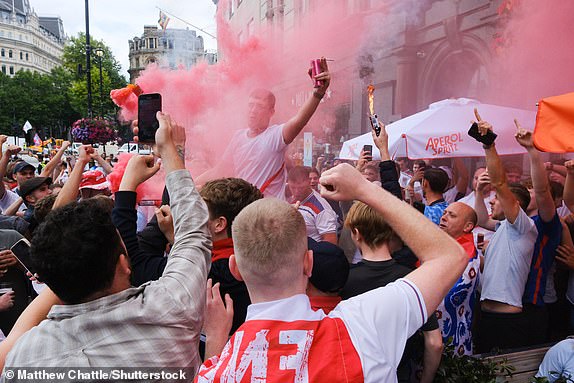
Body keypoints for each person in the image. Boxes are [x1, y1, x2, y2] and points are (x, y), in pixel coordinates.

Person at [195, 163, 467, 383]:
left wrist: (216, 339)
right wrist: (364, 190)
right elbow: (450, 256)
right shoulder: (362, 325)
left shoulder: (216, 372)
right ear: (308, 263)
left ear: (236, 269)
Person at [4, 112, 212, 374]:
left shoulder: (24, 357)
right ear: (124, 265)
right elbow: (194, 232)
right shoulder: (169, 308)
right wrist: (171, 151)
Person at [196, 59, 331, 199]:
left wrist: (317, 93)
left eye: (259, 106)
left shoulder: (274, 136)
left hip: (269, 214)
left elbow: (299, 121)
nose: (253, 111)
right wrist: (191, 182)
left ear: (271, 112)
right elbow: (220, 169)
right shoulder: (238, 137)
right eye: (251, 105)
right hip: (245, 210)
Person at [340, 201, 443, 383]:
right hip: (403, 372)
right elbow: (435, 342)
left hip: (358, 373)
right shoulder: (413, 279)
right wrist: (426, 379)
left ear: (356, 233)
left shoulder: (344, 281)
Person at [472, 110, 538, 353]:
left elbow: (500, 184)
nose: (492, 201)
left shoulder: (523, 227)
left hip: (508, 321)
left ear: (514, 206)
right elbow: (480, 219)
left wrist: (489, 144)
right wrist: (479, 193)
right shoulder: (502, 228)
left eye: (496, 200)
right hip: (486, 315)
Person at [437, 202, 481, 355]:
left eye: (452, 215)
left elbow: (446, 300)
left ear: (467, 227)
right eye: (444, 213)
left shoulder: (465, 256)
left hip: (451, 343)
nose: (443, 218)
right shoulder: (448, 247)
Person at [288, 166, 338, 244]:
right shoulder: (288, 198)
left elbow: (331, 242)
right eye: (293, 188)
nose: (296, 192)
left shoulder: (322, 209)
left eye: (300, 188)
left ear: (308, 182)